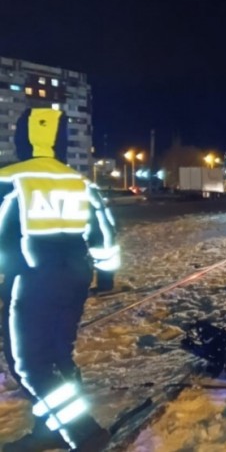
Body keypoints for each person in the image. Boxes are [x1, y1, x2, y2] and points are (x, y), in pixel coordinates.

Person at [0, 108, 120, 451]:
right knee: (58, 356)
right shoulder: (79, 181)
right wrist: (106, 275)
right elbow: (104, 232)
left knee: (29, 364)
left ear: (21, 138)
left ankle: (83, 433)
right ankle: (50, 428)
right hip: (76, 278)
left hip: (30, 281)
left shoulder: (8, 178)